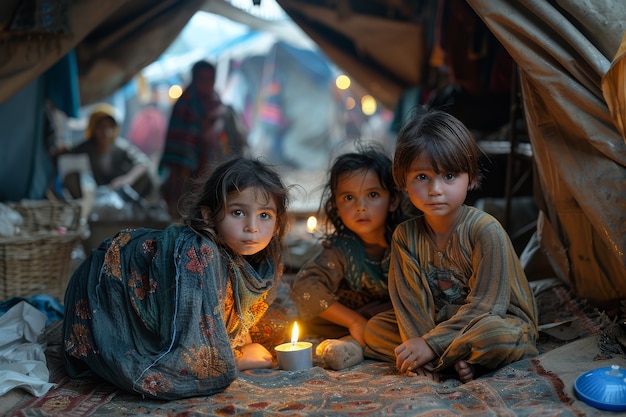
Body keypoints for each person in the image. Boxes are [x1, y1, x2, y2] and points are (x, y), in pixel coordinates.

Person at [63, 156, 291, 400]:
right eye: (238, 212)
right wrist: (237, 358)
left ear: (277, 223)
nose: (252, 227)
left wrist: (239, 334)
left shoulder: (266, 259)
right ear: (209, 216)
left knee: (277, 327)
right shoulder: (199, 252)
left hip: (157, 300)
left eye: (265, 215)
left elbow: (236, 308)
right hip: (106, 298)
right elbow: (187, 346)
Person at [365, 108, 539, 383]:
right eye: (422, 177)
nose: (435, 189)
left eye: (449, 176)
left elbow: (487, 306)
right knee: (374, 329)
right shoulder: (405, 236)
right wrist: (419, 342)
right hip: (440, 321)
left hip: (496, 320)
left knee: (495, 337)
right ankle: (458, 361)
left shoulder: (485, 230)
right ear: (403, 181)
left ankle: (439, 360)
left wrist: (430, 345)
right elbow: (410, 303)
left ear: (470, 178)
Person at [290, 146, 404, 370]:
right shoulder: (342, 248)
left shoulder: (406, 240)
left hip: (392, 317)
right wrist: (354, 321)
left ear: (393, 200)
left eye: (373, 195)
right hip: (349, 317)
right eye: (349, 197)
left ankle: (356, 344)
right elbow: (305, 287)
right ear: (336, 206)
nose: (361, 207)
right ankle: (357, 338)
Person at [159, 60, 248, 219]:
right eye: (202, 79)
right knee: (188, 209)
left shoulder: (217, 102)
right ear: (194, 79)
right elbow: (178, 148)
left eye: (210, 79)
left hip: (214, 165)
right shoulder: (185, 106)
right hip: (187, 171)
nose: (206, 83)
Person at [62, 103, 156, 199]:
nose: (106, 132)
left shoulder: (120, 147)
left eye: (110, 127)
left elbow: (143, 162)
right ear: (93, 128)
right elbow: (68, 154)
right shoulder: (85, 148)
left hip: (119, 193)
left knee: (147, 175)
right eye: (101, 127)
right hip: (93, 195)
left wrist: (127, 179)